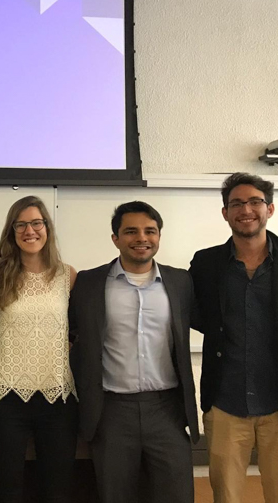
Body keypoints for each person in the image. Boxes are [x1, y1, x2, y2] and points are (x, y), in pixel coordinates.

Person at [190, 172, 278, 503]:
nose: (246, 210)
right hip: (225, 405)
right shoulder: (206, 263)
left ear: (270, 209)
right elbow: (196, 315)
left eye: (255, 202)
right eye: (236, 203)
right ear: (225, 212)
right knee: (225, 497)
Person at [69, 201, 198, 503]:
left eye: (150, 231)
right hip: (112, 410)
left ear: (159, 236)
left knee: (177, 495)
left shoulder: (180, 282)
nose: (142, 238)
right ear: (115, 238)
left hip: (166, 408)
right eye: (131, 231)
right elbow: (69, 333)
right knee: (116, 495)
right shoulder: (88, 283)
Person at [0, 196, 78, 503]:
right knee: (7, 490)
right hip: (6, 399)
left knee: (57, 490)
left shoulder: (68, 275)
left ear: (47, 227)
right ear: (11, 231)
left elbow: (75, 331)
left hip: (57, 397)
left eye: (37, 223)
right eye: (20, 224)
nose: (29, 230)